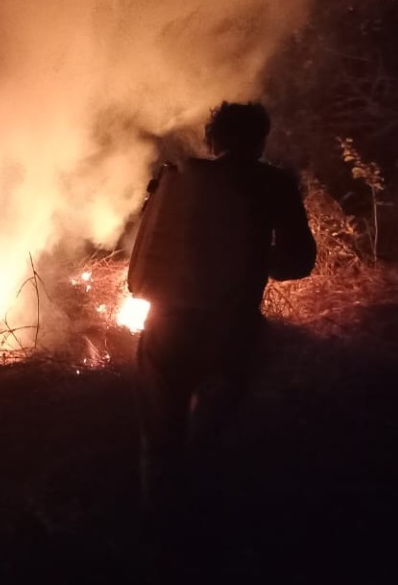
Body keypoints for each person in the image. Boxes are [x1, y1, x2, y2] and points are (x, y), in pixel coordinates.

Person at [127, 101, 316, 534]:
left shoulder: (175, 181)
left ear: (213, 140)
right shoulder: (274, 185)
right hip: (232, 331)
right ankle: (210, 534)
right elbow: (296, 262)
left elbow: (151, 250)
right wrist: (254, 259)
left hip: (165, 328)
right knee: (214, 437)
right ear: (260, 140)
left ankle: (158, 537)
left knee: (160, 440)